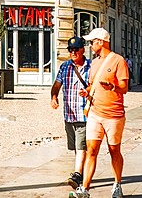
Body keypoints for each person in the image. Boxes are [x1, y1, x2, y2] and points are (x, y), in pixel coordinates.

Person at [76, 28, 129, 198]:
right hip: (94, 113)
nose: (90, 45)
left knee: (114, 150)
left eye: (91, 42)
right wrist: (88, 91)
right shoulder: (94, 63)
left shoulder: (118, 61)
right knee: (91, 150)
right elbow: (93, 85)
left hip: (113, 115)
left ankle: (117, 184)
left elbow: (124, 87)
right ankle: (85, 189)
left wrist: (113, 86)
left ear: (100, 41)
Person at [51, 36, 91, 190]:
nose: (73, 52)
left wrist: (87, 91)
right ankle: (80, 172)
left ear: (83, 49)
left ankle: (77, 174)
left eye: (76, 49)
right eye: (70, 50)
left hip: (84, 114)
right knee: (75, 146)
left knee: (81, 145)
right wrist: (53, 97)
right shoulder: (65, 66)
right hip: (69, 114)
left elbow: (95, 87)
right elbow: (56, 85)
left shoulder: (91, 66)